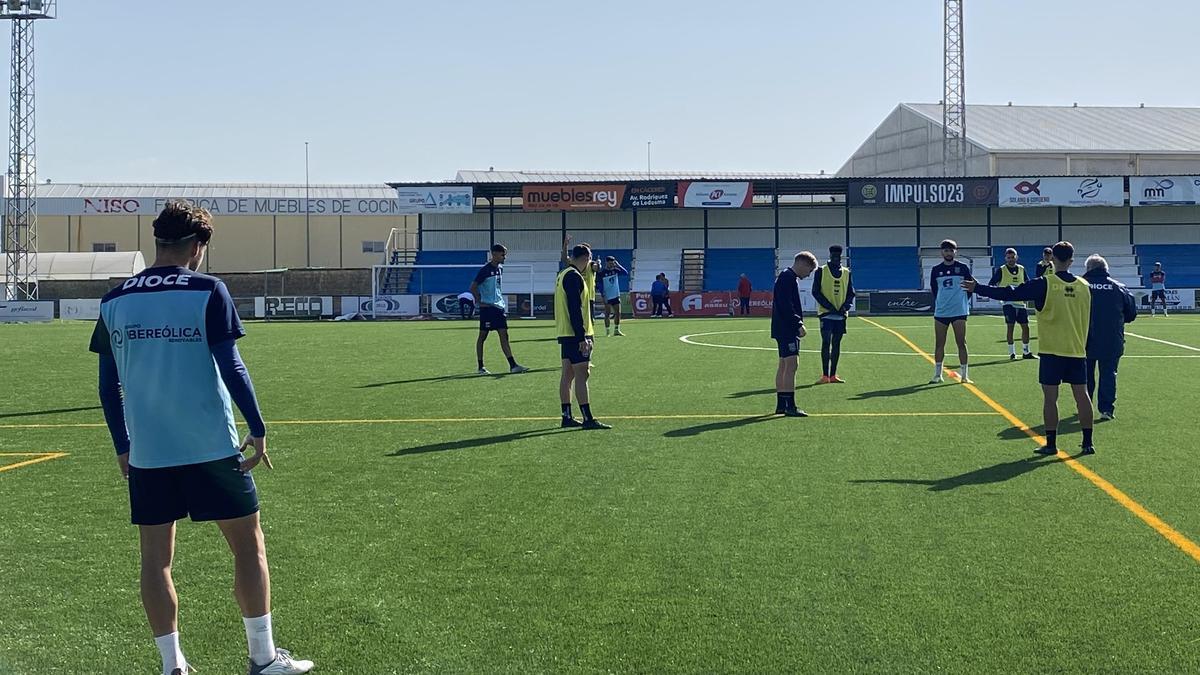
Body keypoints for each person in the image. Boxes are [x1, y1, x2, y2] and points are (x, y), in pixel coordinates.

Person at [89, 201, 314, 675]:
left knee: (156, 562)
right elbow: (231, 365)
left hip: (149, 453)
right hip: (211, 446)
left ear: (158, 241)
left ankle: (174, 667)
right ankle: (263, 657)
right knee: (249, 547)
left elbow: (108, 386)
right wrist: (257, 427)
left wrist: (122, 446)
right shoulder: (207, 288)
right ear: (198, 246)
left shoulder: (115, 300)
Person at [964, 241, 1096, 455]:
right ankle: (1088, 443)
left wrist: (978, 288)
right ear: (1072, 260)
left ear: (1052, 259)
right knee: (1082, 396)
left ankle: (1051, 444)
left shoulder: (1045, 283)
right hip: (1077, 350)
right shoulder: (1084, 286)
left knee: (1050, 398)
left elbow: (1010, 293)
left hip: (1052, 351)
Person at [555, 242, 611, 430]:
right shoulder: (574, 277)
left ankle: (567, 416)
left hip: (565, 332)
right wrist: (582, 337)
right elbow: (575, 308)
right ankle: (587, 418)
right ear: (586, 258)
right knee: (582, 373)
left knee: (568, 375)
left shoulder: (563, 274)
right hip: (575, 333)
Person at [1083, 254, 1138, 420]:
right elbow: (1131, 314)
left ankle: (1085, 406)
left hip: (1085, 338)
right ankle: (1106, 409)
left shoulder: (1080, 286)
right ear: (1106, 269)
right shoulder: (1119, 287)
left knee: (1086, 375)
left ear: (1088, 269)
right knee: (1108, 374)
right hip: (1112, 338)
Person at [771, 252, 818, 417]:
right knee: (791, 365)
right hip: (787, 328)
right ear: (803, 264)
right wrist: (798, 323)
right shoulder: (788, 278)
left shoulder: (785, 276)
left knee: (784, 365)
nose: (808, 275)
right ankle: (790, 406)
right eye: (809, 271)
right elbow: (786, 305)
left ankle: (781, 404)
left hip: (781, 327)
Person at [471, 243, 529, 375]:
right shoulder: (485, 270)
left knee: (504, 335)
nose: (504, 257)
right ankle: (480, 366)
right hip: (488, 309)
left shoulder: (500, 269)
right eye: (503, 254)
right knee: (482, 336)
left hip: (498, 308)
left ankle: (513, 365)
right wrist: (480, 302)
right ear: (495, 254)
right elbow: (473, 287)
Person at [929, 239, 974, 384]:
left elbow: (970, 287)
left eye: (951, 250)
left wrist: (962, 302)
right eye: (946, 250)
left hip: (959, 311)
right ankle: (937, 375)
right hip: (941, 312)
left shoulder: (963, 268)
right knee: (939, 343)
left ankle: (965, 375)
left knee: (961, 342)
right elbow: (935, 290)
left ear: (956, 251)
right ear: (942, 252)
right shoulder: (936, 270)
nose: (949, 253)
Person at [811, 244, 855, 384]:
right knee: (826, 342)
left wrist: (845, 307)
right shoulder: (821, 271)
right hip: (826, 314)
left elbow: (850, 293)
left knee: (836, 344)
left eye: (838, 256)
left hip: (841, 315)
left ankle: (833, 375)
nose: (836, 258)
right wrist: (829, 306)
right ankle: (825, 375)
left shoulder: (847, 272)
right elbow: (815, 291)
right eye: (834, 255)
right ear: (830, 256)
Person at [989, 247, 1036, 360]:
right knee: (1011, 327)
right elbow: (992, 283)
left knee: (1026, 327)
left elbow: (1027, 283)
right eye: (1008, 257)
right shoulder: (1001, 270)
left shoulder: (1021, 269)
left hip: (1021, 303)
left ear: (1016, 257)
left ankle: (1026, 351)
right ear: (1005, 258)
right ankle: (1012, 353)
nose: (1011, 259)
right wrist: (1002, 293)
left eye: (1013, 257)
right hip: (1008, 303)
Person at [598, 256, 628, 336]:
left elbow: (625, 273)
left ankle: (616, 330)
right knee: (607, 313)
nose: (612, 265)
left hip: (615, 294)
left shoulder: (615, 270)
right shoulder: (602, 273)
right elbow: (600, 285)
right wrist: (603, 295)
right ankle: (607, 331)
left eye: (613, 263)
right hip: (607, 295)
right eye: (610, 263)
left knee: (618, 313)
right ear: (607, 263)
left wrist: (618, 265)